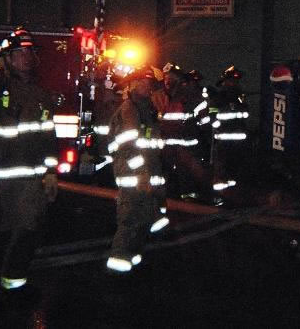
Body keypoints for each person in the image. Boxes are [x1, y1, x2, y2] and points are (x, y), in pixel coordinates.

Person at [0, 27, 59, 295]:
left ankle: (14, 284)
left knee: (28, 233)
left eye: (30, 52)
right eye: (19, 53)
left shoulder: (40, 95)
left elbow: (48, 136)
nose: (27, 57)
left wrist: (51, 172)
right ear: (6, 59)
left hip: (31, 183)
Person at [105, 67, 167, 273]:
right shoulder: (129, 110)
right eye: (143, 82)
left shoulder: (146, 109)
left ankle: (133, 262)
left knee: (144, 220)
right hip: (133, 175)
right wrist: (140, 172)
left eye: (150, 83)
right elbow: (128, 146)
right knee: (131, 220)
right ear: (132, 85)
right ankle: (117, 267)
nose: (148, 87)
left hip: (147, 174)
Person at [157, 62, 210, 201]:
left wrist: (203, 138)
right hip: (167, 150)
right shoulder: (161, 97)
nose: (168, 80)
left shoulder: (191, 96)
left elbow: (204, 123)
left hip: (187, 150)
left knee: (188, 181)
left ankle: (191, 203)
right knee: (168, 181)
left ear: (179, 79)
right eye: (166, 77)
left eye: (171, 77)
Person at [209, 65, 249, 197]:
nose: (234, 83)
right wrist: (217, 125)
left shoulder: (240, 97)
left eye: (235, 81)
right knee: (221, 170)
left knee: (235, 171)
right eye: (231, 80)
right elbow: (212, 113)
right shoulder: (218, 96)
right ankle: (219, 196)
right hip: (223, 141)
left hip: (238, 143)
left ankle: (233, 196)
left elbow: (245, 114)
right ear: (225, 81)